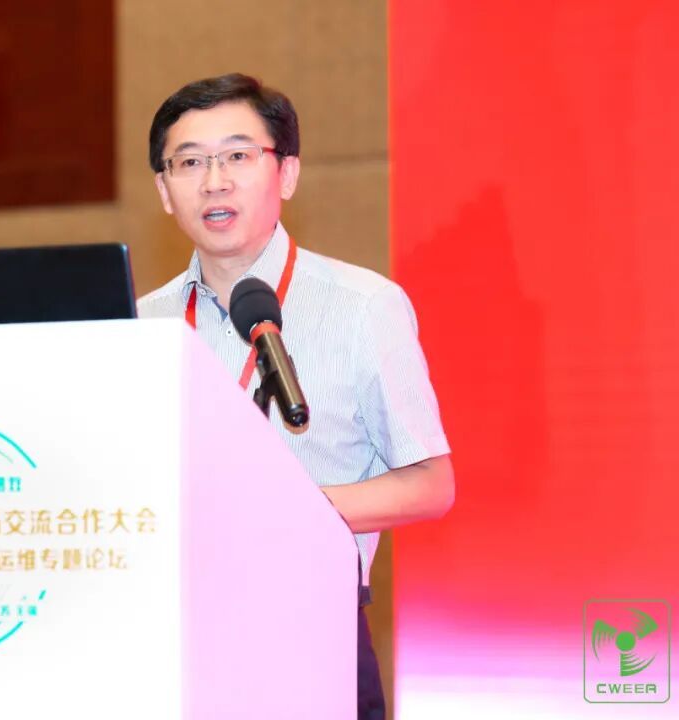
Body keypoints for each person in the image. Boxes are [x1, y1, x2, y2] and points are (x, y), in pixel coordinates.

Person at [137, 73, 454, 720]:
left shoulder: (363, 307)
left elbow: (431, 484)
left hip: (314, 626)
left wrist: (290, 508)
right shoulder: (140, 323)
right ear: (165, 191)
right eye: (189, 163)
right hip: (170, 632)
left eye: (237, 155)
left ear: (286, 174)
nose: (214, 181)